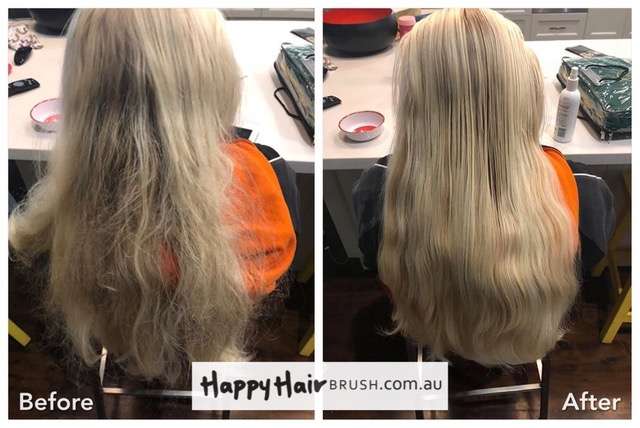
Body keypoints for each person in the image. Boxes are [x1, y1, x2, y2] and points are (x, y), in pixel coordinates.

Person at [9, 9, 298, 385]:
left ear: (82, 82)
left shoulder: (48, 222)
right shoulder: (267, 174)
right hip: (209, 344)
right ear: (214, 75)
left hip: (111, 342)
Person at [353, 8, 613, 366]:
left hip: (430, 326)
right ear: (524, 88)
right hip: (524, 333)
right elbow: (586, 264)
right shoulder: (585, 189)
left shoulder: (377, 187)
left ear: (415, 99)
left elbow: (375, 265)